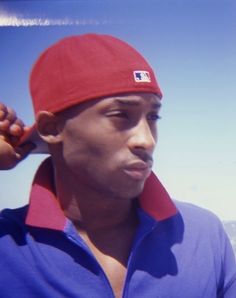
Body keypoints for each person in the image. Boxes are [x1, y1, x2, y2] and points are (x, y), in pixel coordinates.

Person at [0, 34, 235, 298]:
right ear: (51, 128)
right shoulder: (7, 247)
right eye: (120, 115)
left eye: (153, 116)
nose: (146, 140)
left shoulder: (202, 235)